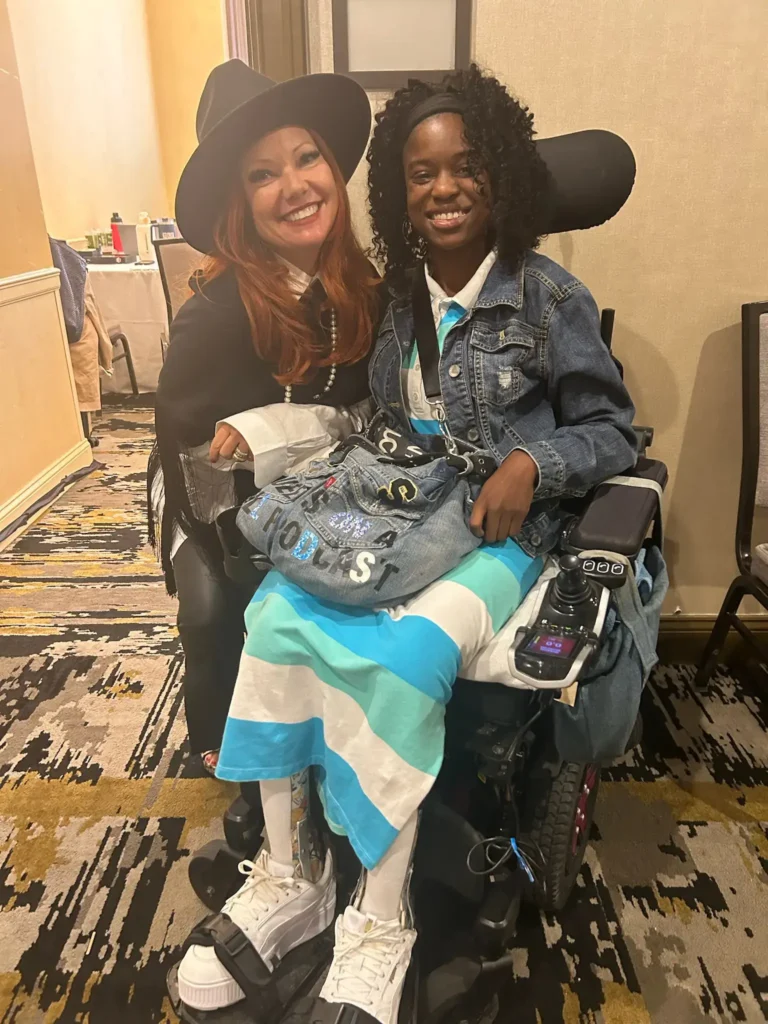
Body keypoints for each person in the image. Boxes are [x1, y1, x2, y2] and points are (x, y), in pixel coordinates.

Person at [175, 65, 637, 1024]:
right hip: (400, 510)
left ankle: (381, 918)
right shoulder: (393, 302)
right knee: (275, 615)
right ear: (397, 192)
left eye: (467, 167)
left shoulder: (548, 298)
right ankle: (295, 872)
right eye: (422, 174)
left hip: (504, 531)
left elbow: (613, 430)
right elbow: (364, 420)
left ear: (501, 173)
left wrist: (533, 463)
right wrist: (263, 439)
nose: (446, 188)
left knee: (408, 655)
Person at [147, 60, 380, 773]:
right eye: (263, 174)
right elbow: (191, 454)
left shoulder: (364, 287)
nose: (296, 185)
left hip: (323, 485)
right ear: (239, 203)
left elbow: (371, 410)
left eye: (307, 157)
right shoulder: (214, 315)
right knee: (215, 611)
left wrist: (293, 434)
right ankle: (225, 740)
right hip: (211, 499)